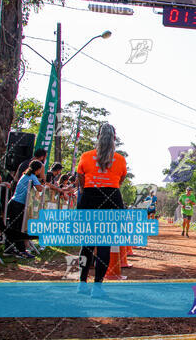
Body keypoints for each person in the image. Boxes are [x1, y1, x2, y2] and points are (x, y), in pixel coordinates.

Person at [76, 123, 127, 297]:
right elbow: (120, 181)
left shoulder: (86, 156)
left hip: (90, 198)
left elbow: (81, 180)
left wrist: (88, 192)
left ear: (98, 136)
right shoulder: (120, 159)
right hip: (111, 199)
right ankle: (97, 287)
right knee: (105, 244)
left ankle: (82, 283)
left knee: (87, 244)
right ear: (114, 138)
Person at [3, 160, 45, 259]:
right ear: (38, 169)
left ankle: (11, 249)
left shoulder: (26, 174)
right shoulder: (32, 177)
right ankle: (20, 250)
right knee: (18, 228)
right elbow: (39, 189)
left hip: (15, 203)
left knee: (14, 228)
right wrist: (43, 183)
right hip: (17, 204)